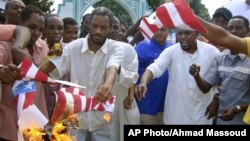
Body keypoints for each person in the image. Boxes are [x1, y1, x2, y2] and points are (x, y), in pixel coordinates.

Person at [39, 7, 123, 141]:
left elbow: (112, 66)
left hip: (102, 120)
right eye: (95, 26)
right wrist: (53, 53)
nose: (98, 31)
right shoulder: (73, 46)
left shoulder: (116, 47)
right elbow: (46, 69)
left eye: (103, 27)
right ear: (89, 24)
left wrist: (107, 84)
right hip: (75, 119)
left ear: (111, 27)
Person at [135, 29, 220, 124]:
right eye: (180, 33)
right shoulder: (171, 51)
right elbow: (154, 68)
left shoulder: (212, 52)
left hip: (201, 116)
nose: (183, 37)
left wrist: (216, 98)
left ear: (197, 33)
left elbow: (222, 76)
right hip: (175, 117)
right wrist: (143, 82)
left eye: (187, 33)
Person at [189, 16, 250, 125]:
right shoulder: (220, 58)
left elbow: (221, 37)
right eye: (230, 28)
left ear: (248, 30)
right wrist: (196, 75)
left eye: (239, 28)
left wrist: (238, 109)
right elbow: (205, 88)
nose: (234, 31)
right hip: (221, 121)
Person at [0, 5, 49, 141]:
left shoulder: (42, 47)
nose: (36, 33)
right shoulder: (6, 45)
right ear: (20, 24)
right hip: (10, 124)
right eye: (32, 27)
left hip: (36, 122)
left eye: (40, 29)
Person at [108, 16, 140, 141]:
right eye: (110, 27)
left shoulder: (128, 49)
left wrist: (118, 69)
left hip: (123, 100)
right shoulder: (92, 48)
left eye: (116, 27)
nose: (112, 30)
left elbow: (132, 77)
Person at [135, 26, 172, 125]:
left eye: (163, 30)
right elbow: (134, 76)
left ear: (169, 30)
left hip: (167, 107)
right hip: (146, 105)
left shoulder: (172, 47)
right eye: (155, 29)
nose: (159, 32)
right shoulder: (142, 47)